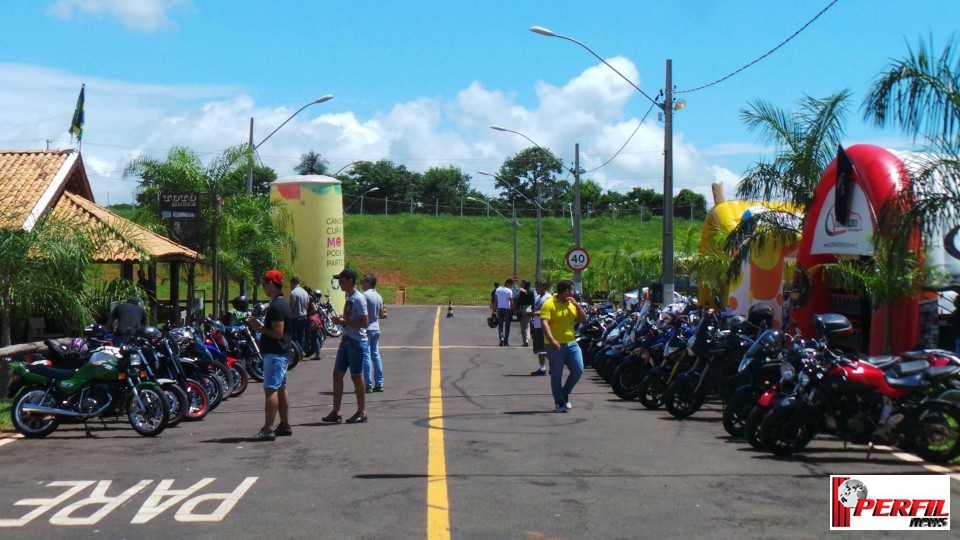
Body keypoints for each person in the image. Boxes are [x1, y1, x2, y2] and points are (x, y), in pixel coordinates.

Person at [250, 270, 293, 441]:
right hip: (280, 353)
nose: (263, 287)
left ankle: (268, 428)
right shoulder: (281, 303)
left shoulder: (276, 306)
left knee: (271, 389)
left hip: (275, 353)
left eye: (264, 284)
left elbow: (277, 332)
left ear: (270, 284)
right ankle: (284, 423)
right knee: (280, 388)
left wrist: (259, 327)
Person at [323, 268, 370, 424]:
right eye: (339, 281)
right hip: (346, 340)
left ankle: (362, 411)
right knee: (337, 374)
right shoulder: (350, 298)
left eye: (342, 281)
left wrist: (344, 322)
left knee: (356, 376)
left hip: (357, 342)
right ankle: (336, 411)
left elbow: (364, 322)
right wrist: (344, 319)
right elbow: (353, 318)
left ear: (350, 281)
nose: (340, 284)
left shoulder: (358, 299)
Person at [539, 279, 588, 412]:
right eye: (572, 290)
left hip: (571, 343)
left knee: (578, 369)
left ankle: (564, 393)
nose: (573, 292)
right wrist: (552, 340)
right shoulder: (549, 304)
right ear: (566, 291)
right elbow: (544, 323)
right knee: (556, 374)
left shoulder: (571, 304)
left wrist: (577, 305)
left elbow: (583, 320)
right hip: (554, 345)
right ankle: (559, 402)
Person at [361, 273, 385, 393]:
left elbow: (361, 311)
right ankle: (379, 383)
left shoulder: (365, 295)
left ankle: (367, 384)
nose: (361, 283)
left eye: (363, 281)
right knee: (375, 354)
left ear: (368, 282)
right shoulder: (379, 296)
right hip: (376, 327)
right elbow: (381, 314)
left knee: (366, 355)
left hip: (367, 327)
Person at [530, 279, 552, 375]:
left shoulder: (548, 298)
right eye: (536, 287)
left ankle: (554, 363)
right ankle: (542, 367)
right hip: (537, 324)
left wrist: (533, 313)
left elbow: (547, 312)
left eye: (538, 287)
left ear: (544, 287)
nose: (537, 289)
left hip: (544, 325)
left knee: (544, 348)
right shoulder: (538, 297)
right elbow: (536, 308)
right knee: (539, 349)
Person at [289, 277, 310, 351]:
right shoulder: (305, 292)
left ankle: (299, 351)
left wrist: (288, 314)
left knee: (292, 336)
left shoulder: (293, 292)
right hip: (304, 316)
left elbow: (292, 305)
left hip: (295, 317)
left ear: (292, 283)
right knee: (301, 335)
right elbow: (307, 305)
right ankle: (301, 351)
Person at [304, 286, 324, 360]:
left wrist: (306, 313)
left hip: (311, 319)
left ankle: (315, 354)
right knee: (314, 337)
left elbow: (314, 309)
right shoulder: (313, 297)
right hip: (315, 318)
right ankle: (316, 354)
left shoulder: (309, 298)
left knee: (312, 336)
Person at [494, 279, 514, 346]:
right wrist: (513, 310)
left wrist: (494, 310)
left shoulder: (498, 290)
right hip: (507, 309)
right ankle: (506, 341)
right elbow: (511, 302)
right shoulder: (509, 291)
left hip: (499, 309)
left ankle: (501, 337)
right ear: (508, 284)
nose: (511, 287)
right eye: (511, 285)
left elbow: (495, 302)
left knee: (500, 325)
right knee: (507, 325)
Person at [516, 280, 534, 347]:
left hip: (523, 308)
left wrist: (517, 309)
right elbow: (533, 301)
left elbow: (519, 301)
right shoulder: (531, 292)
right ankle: (527, 339)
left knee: (522, 326)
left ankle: (525, 341)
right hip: (529, 308)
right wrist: (532, 309)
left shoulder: (521, 292)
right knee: (527, 325)